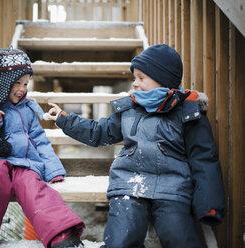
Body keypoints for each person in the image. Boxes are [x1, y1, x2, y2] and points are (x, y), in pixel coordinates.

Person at [47, 44, 226, 248]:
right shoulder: (129, 108)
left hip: (171, 187)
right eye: (134, 78)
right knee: (121, 238)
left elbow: (203, 159)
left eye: (141, 78)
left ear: (163, 79)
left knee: (179, 236)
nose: (135, 84)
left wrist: (209, 205)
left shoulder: (188, 113)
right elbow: (98, 132)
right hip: (129, 184)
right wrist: (65, 119)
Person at [0, 48, 85, 248]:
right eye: (17, 83)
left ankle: (61, 234)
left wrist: (53, 170)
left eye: (26, 83)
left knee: (33, 186)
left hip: (24, 163)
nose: (22, 89)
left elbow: (40, 140)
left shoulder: (27, 109)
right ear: (0, 83)